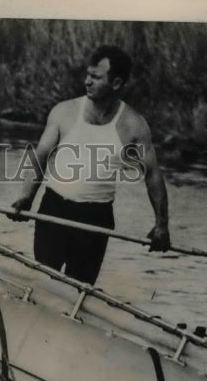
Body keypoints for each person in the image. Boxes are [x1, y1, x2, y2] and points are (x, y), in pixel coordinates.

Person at [10, 45, 170, 285]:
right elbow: (40, 157)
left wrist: (161, 226)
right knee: (43, 284)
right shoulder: (64, 112)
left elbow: (153, 176)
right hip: (54, 210)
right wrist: (26, 198)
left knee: (79, 291)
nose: (87, 82)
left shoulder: (134, 126)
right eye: (87, 75)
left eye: (95, 77)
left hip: (96, 218)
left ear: (116, 84)